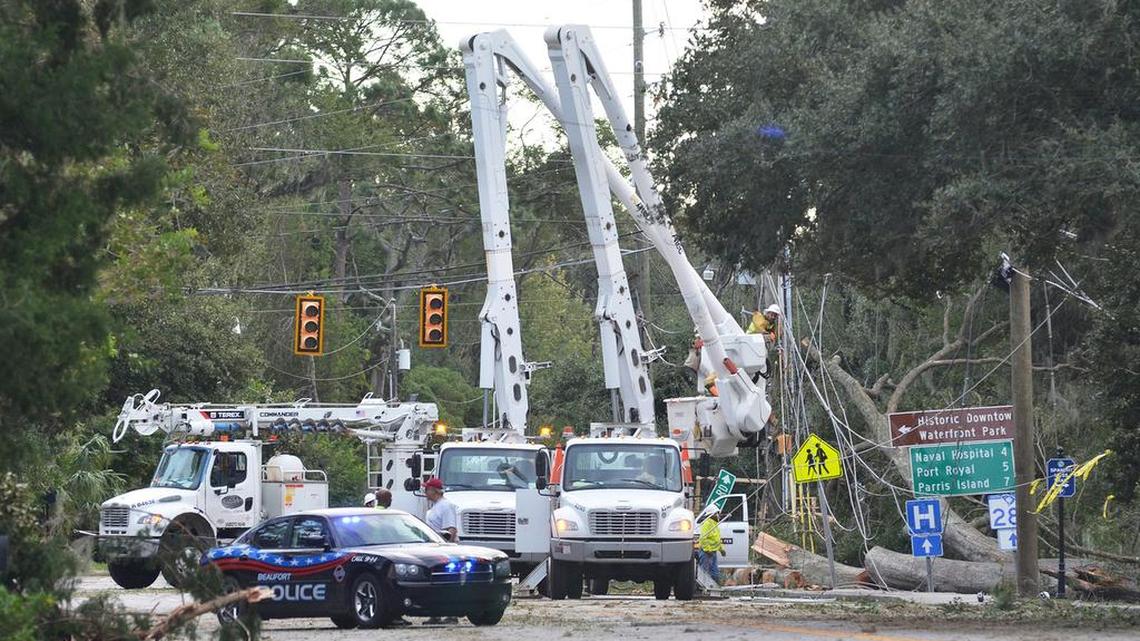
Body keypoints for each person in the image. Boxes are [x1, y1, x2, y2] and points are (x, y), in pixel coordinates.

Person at [422, 477, 459, 625]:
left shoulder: (446, 505)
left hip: (445, 550)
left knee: (449, 583)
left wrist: (447, 550)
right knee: (435, 584)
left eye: (427, 489)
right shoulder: (434, 507)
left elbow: (451, 529)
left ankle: (452, 614)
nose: (425, 492)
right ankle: (435, 614)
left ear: (434, 490)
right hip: (434, 549)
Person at [697, 505, 727, 584]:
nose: (718, 515)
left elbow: (717, 539)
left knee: (715, 572)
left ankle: (714, 586)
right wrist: (708, 550)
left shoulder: (714, 524)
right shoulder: (707, 524)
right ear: (712, 514)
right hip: (706, 552)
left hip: (713, 552)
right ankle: (701, 587)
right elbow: (703, 538)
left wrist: (721, 549)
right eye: (717, 513)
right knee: (704, 572)